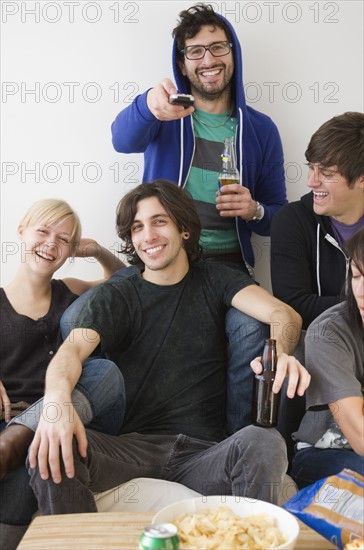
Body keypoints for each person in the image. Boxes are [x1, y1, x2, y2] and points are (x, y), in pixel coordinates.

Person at [26, 180, 309, 518]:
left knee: (266, 441)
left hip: (204, 455)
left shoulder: (216, 279)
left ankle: (250, 538)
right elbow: (69, 354)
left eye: (159, 221)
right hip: (130, 449)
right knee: (52, 445)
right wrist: (56, 404)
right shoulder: (119, 294)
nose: (148, 235)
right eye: (137, 227)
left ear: (184, 229)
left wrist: (279, 355)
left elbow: (284, 314)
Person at [111, 3, 287, 433]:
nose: (208, 59)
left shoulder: (260, 129)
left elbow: (279, 217)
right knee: (91, 319)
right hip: (164, 264)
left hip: (228, 268)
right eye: (195, 51)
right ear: (183, 64)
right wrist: (148, 106)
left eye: (217, 47)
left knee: (251, 331)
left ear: (233, 54)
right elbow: (121, 139)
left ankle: (238, 447)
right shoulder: (167, 114)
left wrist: (255, 209)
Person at [0, 198, 126, 548]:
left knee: (104, 371)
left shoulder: (70, 290)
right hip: (17, 425)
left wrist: (97, 250)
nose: (51, 243)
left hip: (75, 411)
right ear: (21, 231)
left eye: (64, 239)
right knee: (35, 455)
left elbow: (125, 282)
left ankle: (15, 444)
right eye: (43, 231)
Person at [271, 111, 364, 331]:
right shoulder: (291, 221)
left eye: (327, 173)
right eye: (311, 168)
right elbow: (293, 306)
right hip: (319, 347)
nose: (311, 181)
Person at [290, 228, 364, 489]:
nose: (361, 291)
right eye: (356, 276)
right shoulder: (328, 332)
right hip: (322, 452)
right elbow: (360, 439)